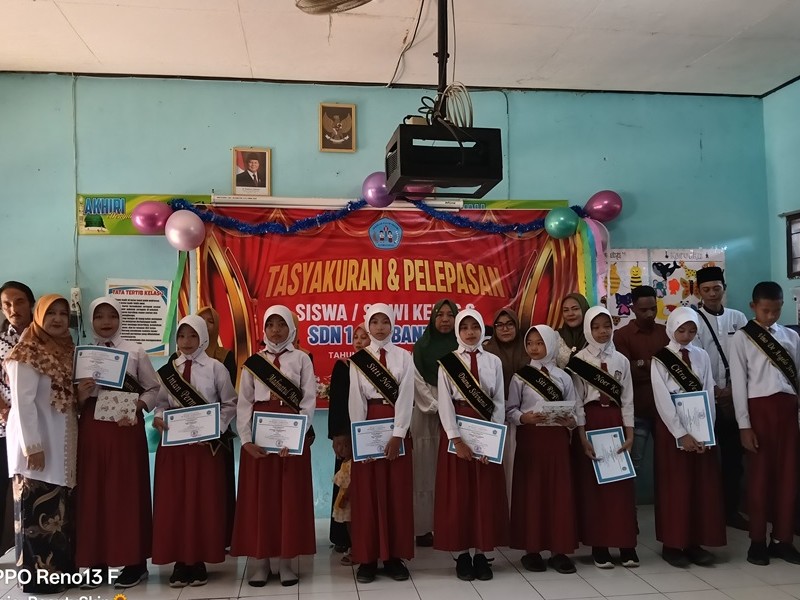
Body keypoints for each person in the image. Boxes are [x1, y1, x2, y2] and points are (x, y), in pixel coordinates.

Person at [75, 297, 161, 589]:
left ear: (120, 318)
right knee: (94, 493)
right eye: (99, 316)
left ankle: (134, 563)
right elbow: (74, 401)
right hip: (92, 427)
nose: (106, 322)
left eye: (112, 315)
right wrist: (81, 394)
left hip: (125, 428)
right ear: (91, 320)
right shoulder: (83, 354)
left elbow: (153, 388)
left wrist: (138, 406)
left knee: (126, 493)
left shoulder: (135, 352)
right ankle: (96, 562)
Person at [231, 305, 317, 587]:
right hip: (260, 435)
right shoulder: (254, 363)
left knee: (289, 498)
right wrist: (246, 439)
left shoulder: (302, 359)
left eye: (282, 324)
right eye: (271, 324)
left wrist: (296, 436)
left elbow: (308, 400)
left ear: (291, 328)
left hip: (292, 432)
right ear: (264, 329)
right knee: (261, 499)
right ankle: (261, 562)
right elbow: (244, 403)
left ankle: (286, 562)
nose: (276, 330)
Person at [151, 315, 238, 587]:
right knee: (174, 502)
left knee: (203, 502)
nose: (186, 342)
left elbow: (230, 404)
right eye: (181, 336)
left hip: (204, 449)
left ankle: (199, 560)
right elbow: (161, 404)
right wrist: (158, 417)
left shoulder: (216, 368)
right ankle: (179, 561)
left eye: (192, 336)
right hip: (174, 448)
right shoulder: (168, 371)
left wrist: (215, 428)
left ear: (203, 338)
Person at [5, 294, 78, 595]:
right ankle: (38, 579)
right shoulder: (26, 353)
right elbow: (22, 403)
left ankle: (61, 573)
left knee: (57, 515)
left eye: (63, 313)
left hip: (61, 444)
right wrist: (32, 445)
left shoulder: (65, 351)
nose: (58, 319)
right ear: (38, 316)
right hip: (36, 446)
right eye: (51, 313)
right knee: (33, 514)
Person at [435, 309, 508, 581]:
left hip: (486, 430)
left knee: (484, 494)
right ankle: (462, 554)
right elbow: (444, 404)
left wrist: (492, 441)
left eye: (474, 327)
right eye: (464, 327)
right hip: (458, 431)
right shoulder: (448, 363)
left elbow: (499, 401)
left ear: (481, 330)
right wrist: (456, 439)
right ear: (458, 331)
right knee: (459, 495)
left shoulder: (494, 361)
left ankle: (481, 553)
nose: (469, 332)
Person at [730, 281, 800, 566]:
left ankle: (783, 540)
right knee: (759, 479)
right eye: (765, 310)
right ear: (753, 307)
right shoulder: (742, 338)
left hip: (788, 411)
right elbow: (739, 384)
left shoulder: (791, 337)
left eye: (776, 311)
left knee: (789, 477)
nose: (771, 316)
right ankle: (757, 541)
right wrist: (744, 425)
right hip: (758, 412)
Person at [650, 307, 726, 567]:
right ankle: (673, 544)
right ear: (671, 328)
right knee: (675, 487)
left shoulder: (702, 355)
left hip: (700, 428)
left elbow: (708, 392)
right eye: (681, 330)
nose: (686, 335)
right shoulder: (661, 358)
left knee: (700, 486)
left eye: (692, 331)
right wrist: (681, 433)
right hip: (672, 430)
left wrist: (707, 431)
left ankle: (695, 542)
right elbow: (661, 398)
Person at [348, 303, 414, 584]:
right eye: (374, 322)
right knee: (367, 496)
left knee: (395, 494)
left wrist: (398, 434)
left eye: (384, 321)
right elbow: (356, 400)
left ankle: (393, 557)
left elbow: (407, 396)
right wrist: (360, 440)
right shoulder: (359, 360)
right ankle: (367, 558)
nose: (379, 327)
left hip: (396, 427)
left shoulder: (404, 357)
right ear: (367, 324)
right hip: (368, 427)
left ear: (393, 324)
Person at [507, 325, 579, 574]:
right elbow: (510, 409)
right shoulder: (520, 377)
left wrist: (570, 421)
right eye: (530, 343)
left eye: (540, 343)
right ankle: (532, 549)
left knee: (559, 493)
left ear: (550, 344)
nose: (534, 348)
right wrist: (524, 418)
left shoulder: (564, 377)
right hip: (531, 439)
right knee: (532, 493)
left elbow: (574, 410)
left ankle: (559, 550)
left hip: (557, 440)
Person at [571, 306, 638, 569]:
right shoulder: (579, 361)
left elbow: (628, 399)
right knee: (595, 489)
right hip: (592, 423)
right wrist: (581, 436)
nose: (602, 331)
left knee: (621, 487)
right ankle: (600, 546)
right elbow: (577, 402)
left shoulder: (621, 360)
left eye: (607, 326)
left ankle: (626, 544)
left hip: (616, 422)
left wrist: (630, 433)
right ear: (588, 329)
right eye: (596, 327)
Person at [692, 266, 749, 530]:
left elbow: (747, 357)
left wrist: (732, 391)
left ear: (724, 288)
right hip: (706, 400)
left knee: (733, 460)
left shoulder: (739, 318)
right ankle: (707, 512)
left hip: (735, 401)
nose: (712, 294)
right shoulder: (692, 320)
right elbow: (694, 360)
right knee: (705, 461)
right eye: (706, 290)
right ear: (698, 292)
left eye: (717, 288)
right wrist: (714, 391)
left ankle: (731, 511)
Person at [411, 299, 458, 547]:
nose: (445, 320)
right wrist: (437, 406)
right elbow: (417, 381)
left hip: (458, 413)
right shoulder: (421, 347)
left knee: (452, 470)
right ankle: (423, 527)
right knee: (424, 469)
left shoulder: (461, 346)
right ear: (433, 318)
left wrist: (451, 409)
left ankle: (450, 523)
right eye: (440, 315)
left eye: (450, 315)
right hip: (426, 412)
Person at [613, 285, 669, 476]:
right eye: (644, 310)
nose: (649, 314)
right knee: (632, 464)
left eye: (653, 309)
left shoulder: (666, 332)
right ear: (633, 308)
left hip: (665, 411)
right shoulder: (621, 335)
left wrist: (642, 364)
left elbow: (670, 370)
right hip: (637, 411)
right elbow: (626, 373)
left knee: (668, 463)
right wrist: (650, 365)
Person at [197, 305, 238, 547]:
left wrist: (215, 426)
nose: (205, 325)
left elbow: (228, 398)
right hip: (188, 436)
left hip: (218, 433)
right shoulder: (176, 360)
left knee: (218, 486)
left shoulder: (225, 357)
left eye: (210, 321)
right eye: (200, 320)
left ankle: (222, 535)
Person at [327, 323, 369, 552]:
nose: (359, 341)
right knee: (346, 488)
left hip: (373, 436)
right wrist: (338, 435)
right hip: (348, 435)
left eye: (365, 337)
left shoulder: (383, 368)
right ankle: (343, 538)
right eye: (356, 337)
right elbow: (337, 404)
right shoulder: (344, 366)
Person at [0, 281, 34, 552]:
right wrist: (3, 409)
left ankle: (34, 549)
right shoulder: (1, 342)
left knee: (33, 489)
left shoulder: (45, 339)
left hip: (37, 426)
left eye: (19, 301)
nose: (13, 309)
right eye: (7, 304)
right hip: (4, 426)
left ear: (31, 304)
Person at [483, 307, 528, 503]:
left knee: (521, 470)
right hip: (496, 419)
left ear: (517, 326)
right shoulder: (486, 352)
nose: (505, 329)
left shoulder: (529, 350)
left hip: (524, 419)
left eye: (509, 324)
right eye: (499, 325)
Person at [556, 293, 590, 368]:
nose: (570, 314)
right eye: (566, 310)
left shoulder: (595, 336)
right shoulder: (556, 337)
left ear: (584, 309)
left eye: (575, 309)